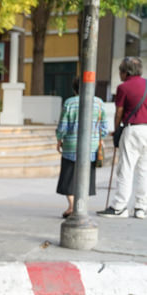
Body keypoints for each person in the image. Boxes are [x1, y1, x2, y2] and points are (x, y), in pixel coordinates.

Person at [97, 56, 147, 219]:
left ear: (126, 72)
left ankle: (120, 206)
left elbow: (119, 111)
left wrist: (117, 129)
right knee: (144, 170)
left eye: (120, 71)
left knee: (126, 168)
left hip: (132, 130)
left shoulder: (123, 87)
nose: (119, 74)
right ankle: (141, 207)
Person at [55, 78, 108, 218]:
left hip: (71, 147)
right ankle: (81, 206)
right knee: (87, 178)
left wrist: (59, 139)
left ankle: (72, 206)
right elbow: (104, 127)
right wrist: (99, 138)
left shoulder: (69, 102)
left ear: (75, 89)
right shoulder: (99, 102)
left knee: (68, 178)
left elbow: (62, 126)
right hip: (91, 147)